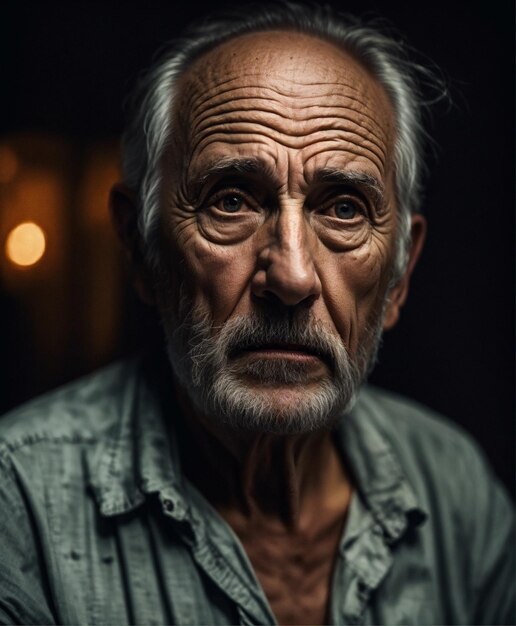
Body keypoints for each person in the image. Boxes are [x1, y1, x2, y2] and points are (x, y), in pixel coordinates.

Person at [0, 3, 513, 625]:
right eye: (232, 200)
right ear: (141, 249)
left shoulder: (456, 487)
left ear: (400, 274)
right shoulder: (17, 504)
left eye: (345, 209)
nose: (292, 276)